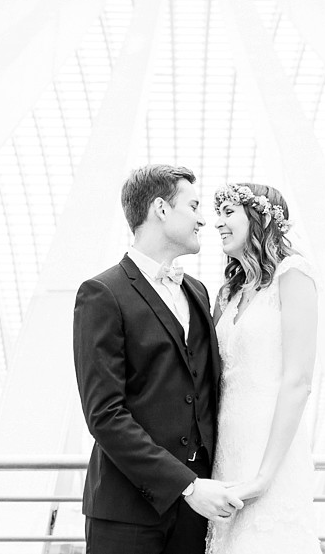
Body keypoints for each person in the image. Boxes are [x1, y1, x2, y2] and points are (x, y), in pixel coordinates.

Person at [73, 164, 245, 554]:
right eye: (194, 205)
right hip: (126, 512)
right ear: (161, 209)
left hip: (197, 515)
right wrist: (186, 485)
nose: (204, 219)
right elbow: (104, 414)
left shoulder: (199, 292)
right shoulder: (102, 293)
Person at [207, 183, 321, 554]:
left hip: (271, 452)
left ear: (259, 216)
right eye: (217, 214)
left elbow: (298, 380)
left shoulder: (294, 274)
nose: (217, 224)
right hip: (227, 451)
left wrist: (264, 476)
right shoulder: (228, 293)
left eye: (228, 213)